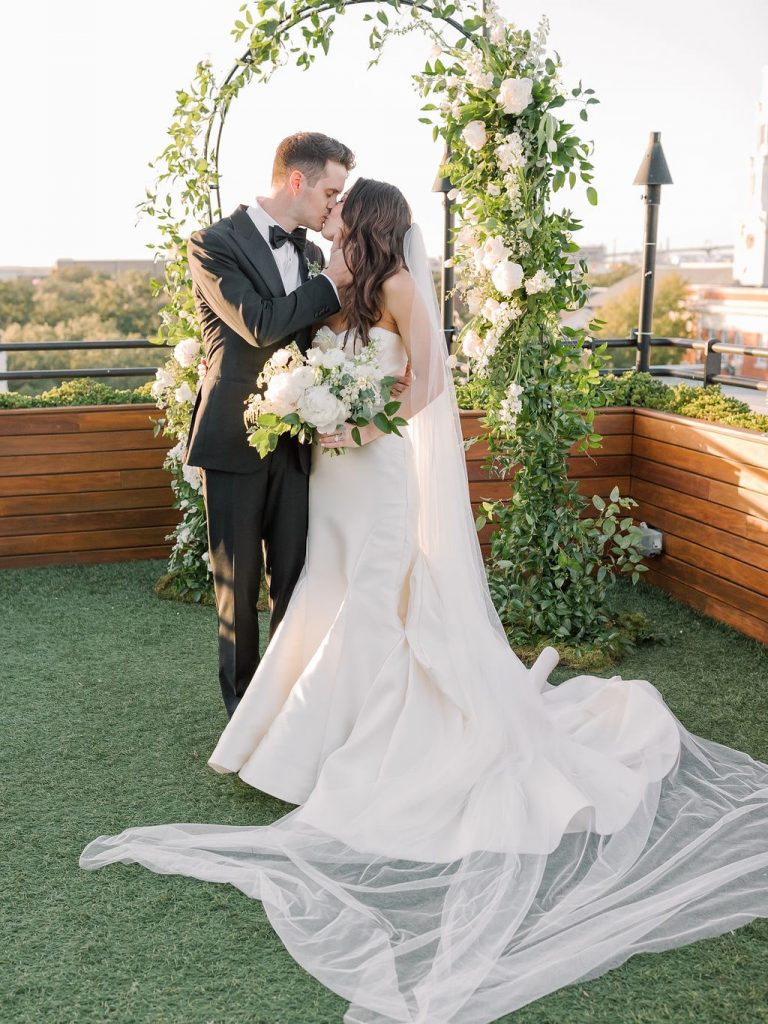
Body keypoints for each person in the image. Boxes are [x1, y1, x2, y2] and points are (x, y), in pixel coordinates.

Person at [81, 179, 768, 1024]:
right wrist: (305, 406)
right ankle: (300, 734)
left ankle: (340, 745)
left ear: (367, 221)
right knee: (325, 590)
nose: (330, 213)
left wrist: (363, 425)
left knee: (371, 598)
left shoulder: (402, 287)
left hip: (373, 469)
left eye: (342, 207)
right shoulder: (334, 285)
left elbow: (431, 384)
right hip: (327, 473)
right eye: (328, 199)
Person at [184, 132, 406, 719]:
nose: (335, 205)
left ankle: (291, 713)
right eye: (331, 192)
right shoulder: (213, 243)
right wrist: (331, 282)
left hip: (303, 439)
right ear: (297, 181)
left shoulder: (313, 254)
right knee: (237, 589)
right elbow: (258, 324)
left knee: (297, 580)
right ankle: (243, 717)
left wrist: (376, 381)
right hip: (233, 437)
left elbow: (324, 342)